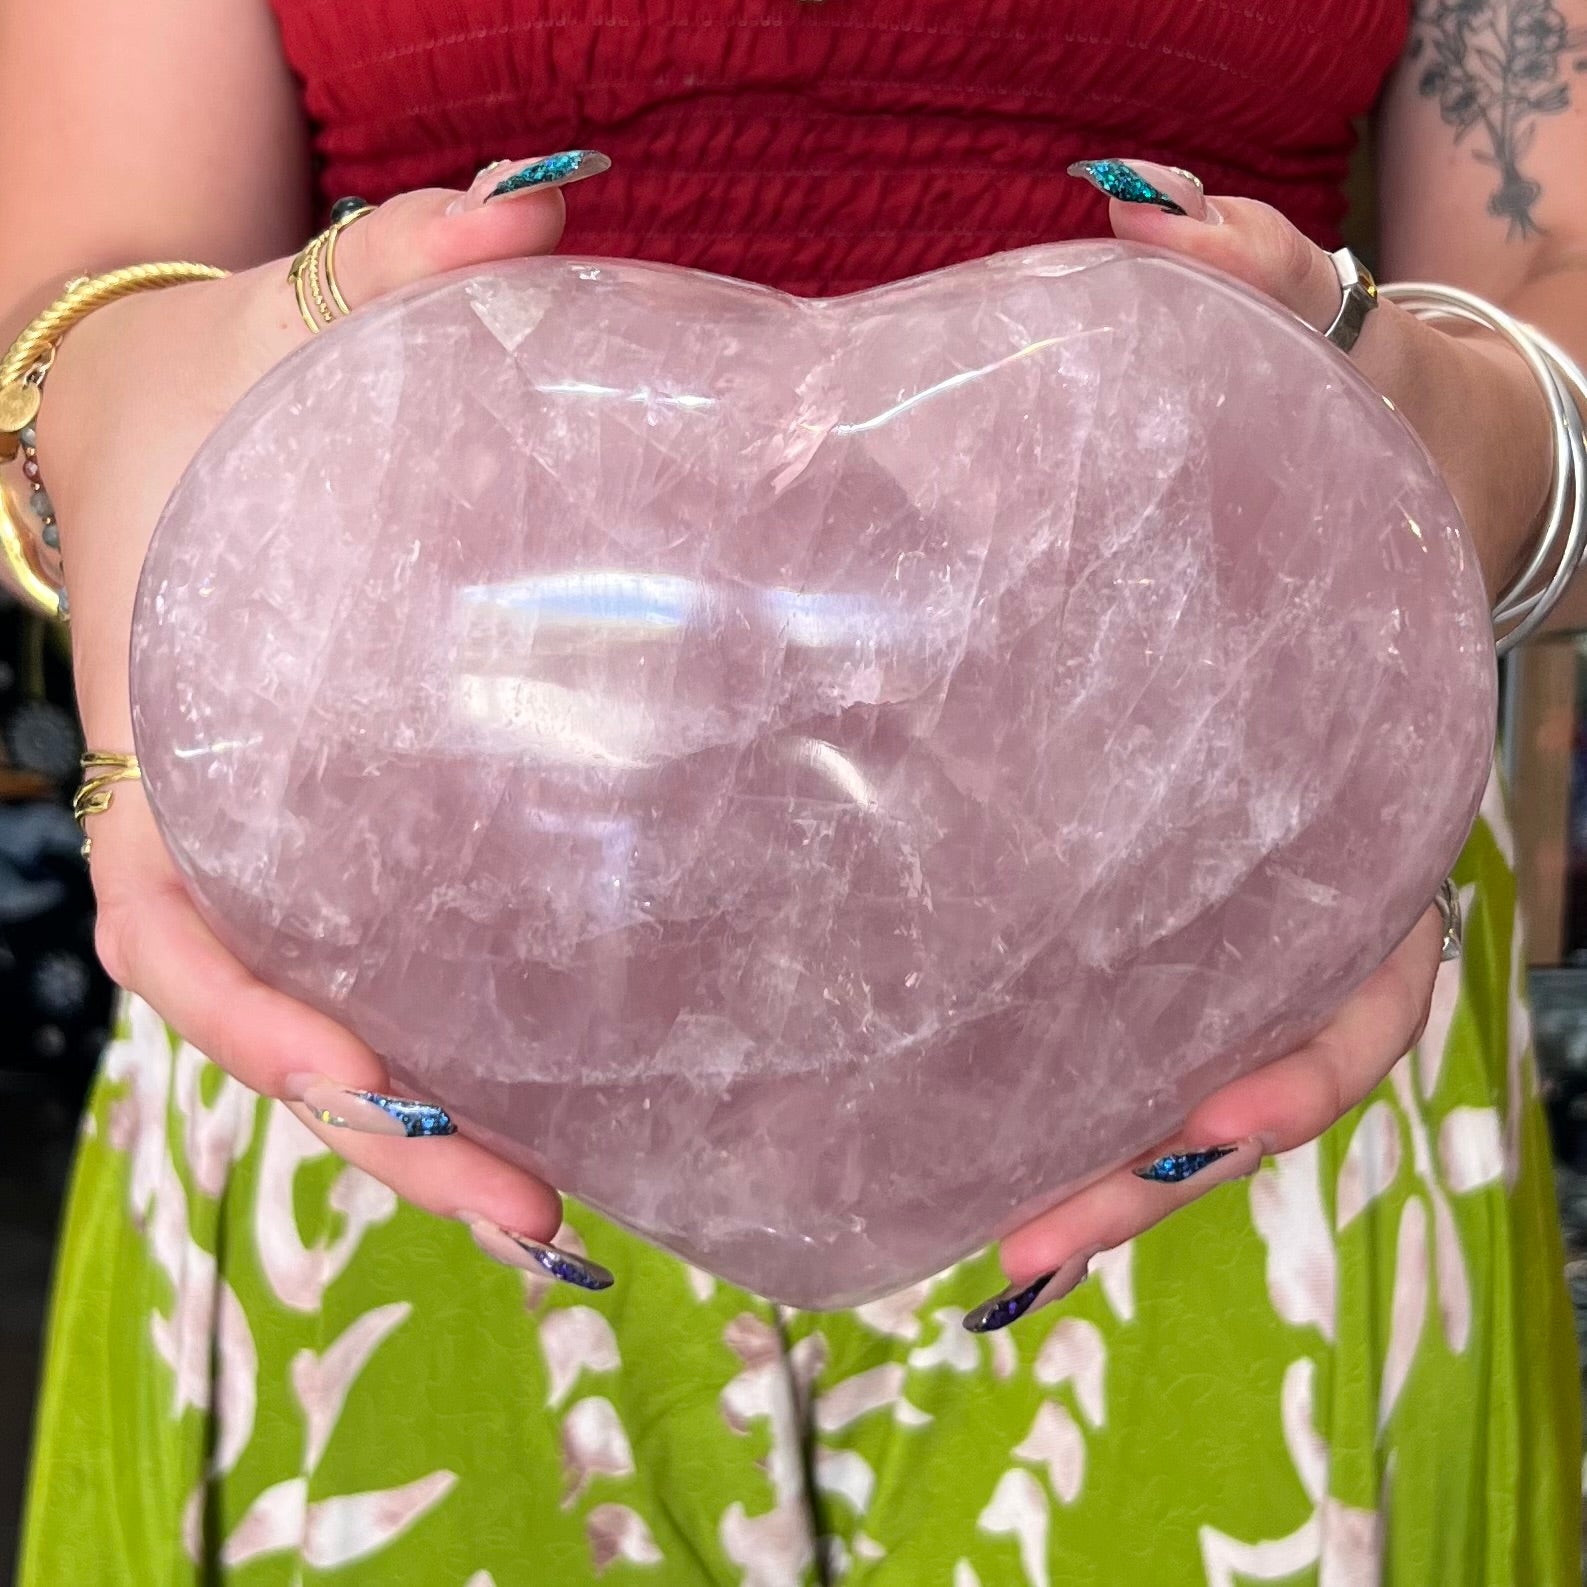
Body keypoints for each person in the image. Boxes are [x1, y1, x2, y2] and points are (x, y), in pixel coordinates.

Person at [7, 0, 1583, 1580]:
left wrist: (1478, 448)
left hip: (1223, 959)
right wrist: (98, 414)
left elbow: (1555, 286)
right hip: (401, 999)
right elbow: (90, 288)